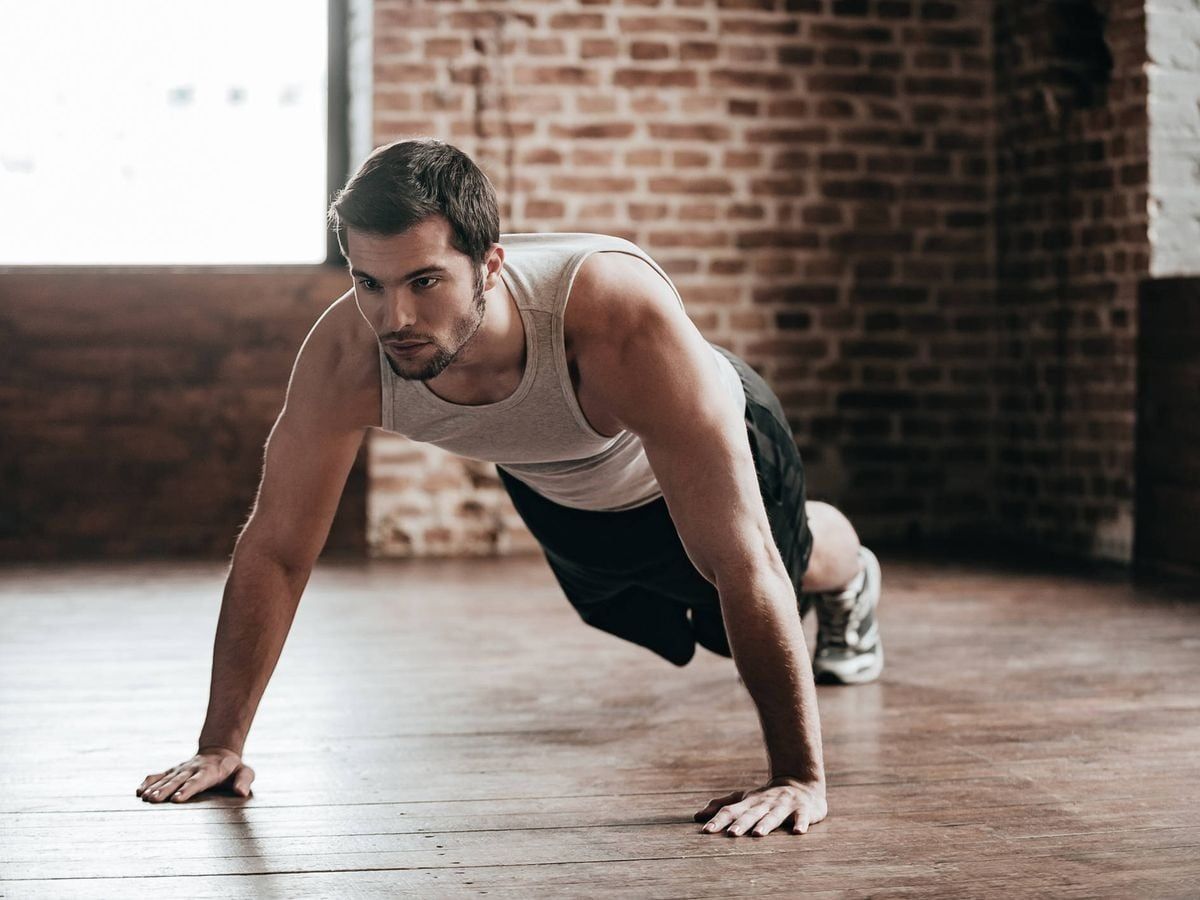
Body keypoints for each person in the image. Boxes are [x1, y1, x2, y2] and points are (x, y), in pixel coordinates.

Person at [136, 138, 884, 838]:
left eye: (425, 281)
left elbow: (745, 558)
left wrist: (799, 778)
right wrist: (218, 745)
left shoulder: (614, 316)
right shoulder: (346, 358)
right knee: (664, 618)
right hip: (563, 483)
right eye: (370, 282)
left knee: (760, 577)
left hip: (699, 440)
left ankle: (850, 574)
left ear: (490, 266)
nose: (394, 318)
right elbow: (276, 548)